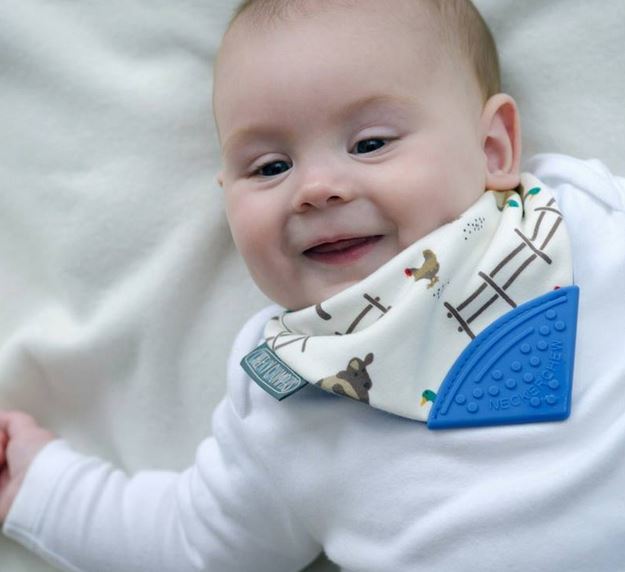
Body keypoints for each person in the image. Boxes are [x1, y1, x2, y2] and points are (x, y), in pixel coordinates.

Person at [1, 0, 624, 570]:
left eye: (370, 143)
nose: (316, 188)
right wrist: (38, 485)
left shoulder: (582, 213)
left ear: (493, 148)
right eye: (270, 167)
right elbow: (191, 544)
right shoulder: (287, 388)